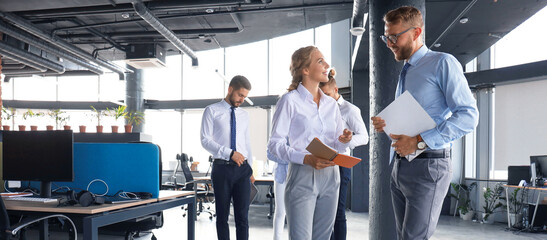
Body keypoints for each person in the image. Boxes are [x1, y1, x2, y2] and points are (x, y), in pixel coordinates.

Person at [370, 6, 479, 240]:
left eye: (394, 36)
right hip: (401, 166)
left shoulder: (442, 63)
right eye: (386, 37)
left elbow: (469, 116)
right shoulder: (408, 69)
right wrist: (389, 124)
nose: (389, 43)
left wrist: (419, 142)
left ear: (416, 32)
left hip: (428, 165)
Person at [268, 46, 353, 240]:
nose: (327, 65)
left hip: (332, 176)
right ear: (305, 70)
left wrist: (344, 140)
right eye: (320, 61)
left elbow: (338, 145)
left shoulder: (331, 105)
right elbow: (274, 145)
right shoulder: (289, 101)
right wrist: (305, 158)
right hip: (302, 175)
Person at [200, 75, 255, 240]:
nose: (242, 100)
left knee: (243, 218)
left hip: (242, 170)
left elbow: (246, 143)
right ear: (230, 89)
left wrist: (250, 168)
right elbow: (205, 140)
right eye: (240, 95)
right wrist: (229, 153)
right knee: (222, 217)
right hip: (222, 169)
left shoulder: (244, 115)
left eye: (245, 96)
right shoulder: (212, 110)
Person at [319, 69, 369, 240]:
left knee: (338, 211)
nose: (324, 98)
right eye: (321, 95)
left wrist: (346, 141)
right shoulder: (321, 109)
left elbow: (364, 137)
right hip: (322, 162)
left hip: (341, 164)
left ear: (336, 90)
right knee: (324, 211)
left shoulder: (350, 110)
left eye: (326, 94)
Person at [267, 150, 288, 240]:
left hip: (300, 177)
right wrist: (293, 158)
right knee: (280, 212)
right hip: (281, 176)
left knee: (298, 213)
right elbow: (269, 154)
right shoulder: (278, 136)